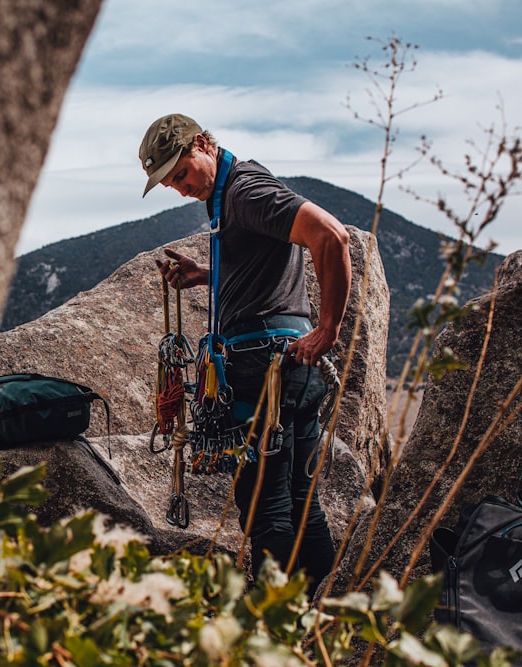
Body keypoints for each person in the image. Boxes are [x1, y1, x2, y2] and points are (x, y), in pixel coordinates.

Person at [139, 113, 352, 593]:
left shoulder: (244, 192)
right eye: (169, 182)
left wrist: (329, 329)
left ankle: (271, 619)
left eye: (180, 173)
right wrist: (204, 274)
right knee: (300, 497)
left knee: (264, 504)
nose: (179, 187)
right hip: (289, 369)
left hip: (265, 371)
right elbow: (264, 266)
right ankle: (321, 604)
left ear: (202, 145)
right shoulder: (230, 194)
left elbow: (331, 236)